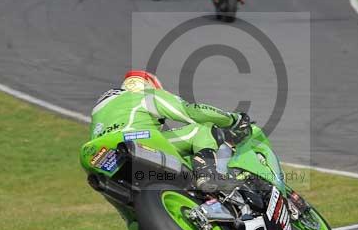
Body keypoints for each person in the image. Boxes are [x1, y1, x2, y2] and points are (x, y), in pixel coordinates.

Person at [89, 70, 252, 193]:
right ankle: (207, 174)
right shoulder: (145, 95)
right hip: (136, 140)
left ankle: (136, 224)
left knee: (117, 190)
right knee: (201, 130)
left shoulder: (99, 111)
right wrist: (235, 119)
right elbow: (193, 112)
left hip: (96, 155)